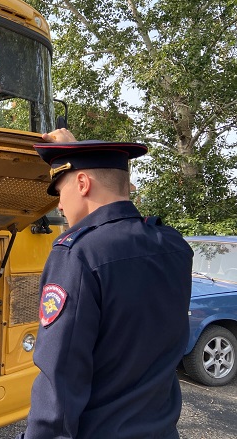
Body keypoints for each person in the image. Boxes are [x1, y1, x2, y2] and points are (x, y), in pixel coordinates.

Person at [18, 129, 193, 439]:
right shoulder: (173, 246)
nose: (59, 205)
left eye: (60, 191)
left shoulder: (78, 254)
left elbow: (60, 381)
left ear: (83, 184)